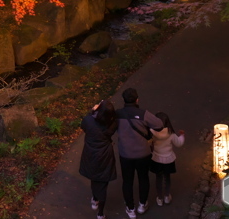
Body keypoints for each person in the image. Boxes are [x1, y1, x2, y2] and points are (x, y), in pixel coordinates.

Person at [115, 88, 165, 218]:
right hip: (143, 154)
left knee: (127, 181)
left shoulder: (118, 114)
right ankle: (142, 204)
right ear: (137, 99)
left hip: (125, 154)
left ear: (123, 100)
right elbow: (159, 124)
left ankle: (130, 209)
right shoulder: (143, 114)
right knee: (143, 178)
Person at [79, 99, 118, 219]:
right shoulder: (112, 124)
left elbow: (84, 127)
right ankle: (100, 212)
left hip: (91, 153)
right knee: (103, 182)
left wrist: (92, 111)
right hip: (105, 154)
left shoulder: (88, 120)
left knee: (94, 176)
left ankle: (95, 199)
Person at [150, 112, 184, 206]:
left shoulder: (152, 132)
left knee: (158, 178)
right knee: (167, 178)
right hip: (168, 159)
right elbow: (179, 144)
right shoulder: (171, 133)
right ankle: (167, 196)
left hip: (156, 158)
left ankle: (159, 198)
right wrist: (182, 136)